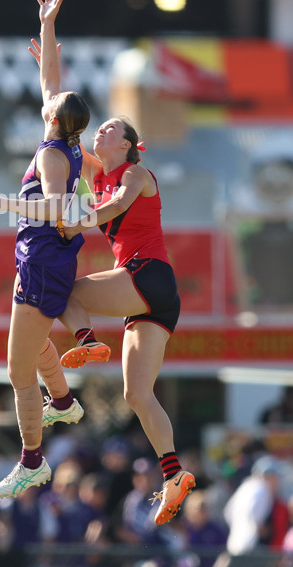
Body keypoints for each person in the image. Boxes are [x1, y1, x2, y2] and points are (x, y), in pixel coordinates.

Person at [0, 0, 107, 500]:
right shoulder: (65, 139)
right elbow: (50, 77)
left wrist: (8, 204)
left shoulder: (55, 156)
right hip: (40, 255)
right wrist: (47, 24)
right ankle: (62, 402)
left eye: (50, 102)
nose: (45, 94)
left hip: (44, 254)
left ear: (54, 117)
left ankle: (33, 461)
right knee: (32, 351)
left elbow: (56, 209)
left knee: (15, 368)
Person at [58, 115, 195, 526]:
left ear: (129, 144)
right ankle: (174, 474)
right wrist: (49, 69)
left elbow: (116, 205)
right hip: (151, 298)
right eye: (98, 126)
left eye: (111, 128)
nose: (100, 130)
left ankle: (85, 339)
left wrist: (72, 225)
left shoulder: (135, 172)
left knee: (61, 291)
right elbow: (59, 128)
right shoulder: (98, 170)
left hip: (147, 274)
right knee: (136, 394)